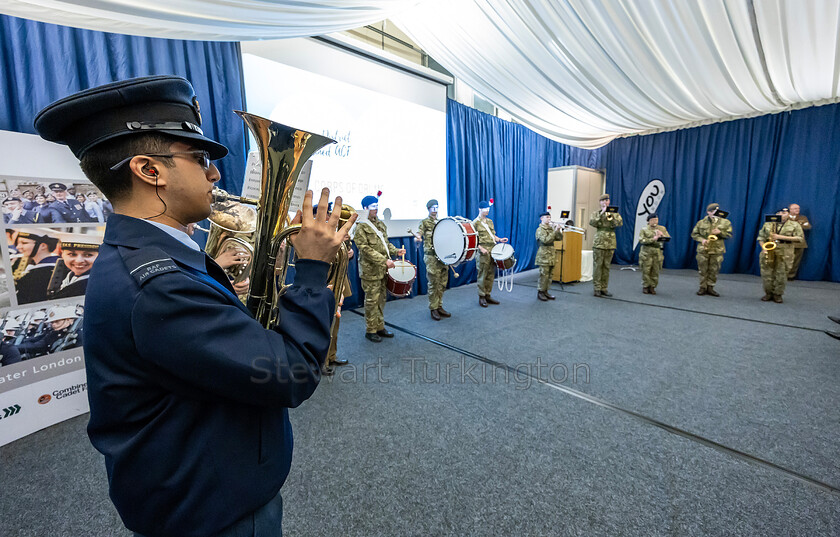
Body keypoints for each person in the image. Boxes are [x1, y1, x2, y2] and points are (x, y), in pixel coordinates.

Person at [34, 75, 355, 537]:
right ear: (150, 170)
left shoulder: (146, 257)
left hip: (199, 484)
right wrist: (309, 271)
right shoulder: (159, 283)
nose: (215, 174)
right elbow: (290, 374)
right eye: (200, 158)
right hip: (214, 509)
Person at [353, 193, 404, 342]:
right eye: (373, 207)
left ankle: (380, 326)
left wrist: (395, 251)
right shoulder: (360, 226)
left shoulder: (380, 224)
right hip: (370, 271)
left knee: (381, 299)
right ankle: (370, 330)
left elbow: (385, 244)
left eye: (377, 206)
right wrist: (384, 260)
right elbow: (364, 248)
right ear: (365, 208)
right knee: (371, 300)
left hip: (382, 269)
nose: (376, 209)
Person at [756, 208, 803, 303]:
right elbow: (761, 237)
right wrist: (764, 248)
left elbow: (800, 238)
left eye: (784, 212)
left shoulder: (794, 224)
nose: (781, 214)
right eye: (779, 212)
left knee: (782, 273)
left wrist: (780, 237)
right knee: (767, 273)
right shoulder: (768, 223)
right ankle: (768, 293)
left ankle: (778, 294)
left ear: (789, 214)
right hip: (769, 250)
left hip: (785, 251)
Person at [415, 199, 450, 320]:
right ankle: (433, 308)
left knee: (442, 282)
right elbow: (419, 233)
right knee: (433, 283)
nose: (435, 210)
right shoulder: (424, 222)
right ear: (428, 209)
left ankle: (439, 306)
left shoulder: (442, 222)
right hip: (431, 257)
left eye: (436, 207)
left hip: (442, 256)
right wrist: (418, 238)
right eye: (432, 208)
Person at [690, 203, 733, 297]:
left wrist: (720, 233)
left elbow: (729, 235)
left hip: (717, 250)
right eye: (713, 211)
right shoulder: (701, 222)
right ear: (708, 212)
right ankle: (702, 287)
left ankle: (710, 287)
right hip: (703, 249)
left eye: (717, 211)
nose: (715, 213)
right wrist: (702, 240)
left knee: (714, 270)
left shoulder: (725, 222)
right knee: (703, 269)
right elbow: (694, 234)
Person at [473, 199, 508, 307]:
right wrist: (481, 248)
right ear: (480, 209)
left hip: (492, 250)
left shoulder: (490, 222)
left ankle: (488, 295)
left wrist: (499, 239)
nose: (487, 211)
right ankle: (481, 296)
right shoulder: (475, 223)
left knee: (491, 274)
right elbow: (473, 240)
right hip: (483, 251)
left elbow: (493, 235)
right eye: (485, 209)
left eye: (488, 209)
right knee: (482, 274)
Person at [588, 193, 623, 297]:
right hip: (599, 242)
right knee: (598, 266)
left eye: (606, 200)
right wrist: (602, 213)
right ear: (600, 203)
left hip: (610, 242)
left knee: (606, 266)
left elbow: (619, 223)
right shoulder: (596, 213)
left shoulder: (615, 213)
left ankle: (604, 288)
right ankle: (597, 288)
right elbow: (592, 223)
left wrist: (611, 216)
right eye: (603, 201)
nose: (605, 202)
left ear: (609, 202)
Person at [47, 233, 101, 299]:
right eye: (72, 254)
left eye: (88, 255)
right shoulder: (67, 278)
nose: (79, 261)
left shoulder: (99, 286)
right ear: (62, 254)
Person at [13, 230, 61, 304]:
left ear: (43, 246)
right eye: (18, 243)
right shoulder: (39, 268)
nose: (18, 247)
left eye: (24, 243)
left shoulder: (44, 272)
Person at [637, 213, 670, 294]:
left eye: (656, 220)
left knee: (655, 270)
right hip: (646, 252)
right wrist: (653, 239)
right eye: (653, 220)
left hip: (657, 252)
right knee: (646, 270)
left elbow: (667, 239)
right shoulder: (644, 229)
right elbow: (641, 240)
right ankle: (645, 286)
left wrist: (662, 235)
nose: (655, 222)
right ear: (648, 221)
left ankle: (652, 286)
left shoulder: (662, 228)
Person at [534, 211, 562, 301]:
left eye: (549, 217)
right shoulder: (540, 229)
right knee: (544, 274)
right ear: (541, 218)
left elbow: (559, 238)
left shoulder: (550, 228)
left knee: (550, 274)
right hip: (543, 254)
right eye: (546, 217)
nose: (549, 219)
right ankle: (540, 292)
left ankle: (546, 291)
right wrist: (554, 232)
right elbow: (545, 240)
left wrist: (558, 231)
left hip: (551, 253)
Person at [787, 203, 811, 280]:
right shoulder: (784, 217)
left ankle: (791, 276)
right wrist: (799, 225)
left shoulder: (803, 217)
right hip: (786, 242)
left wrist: (795, 226)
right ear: (790, 210)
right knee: (784, 259)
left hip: (799, 243)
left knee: (796, 260)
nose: (797, 210)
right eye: (795, 208)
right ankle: (781, 275)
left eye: (798, 208)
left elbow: (808, 226)